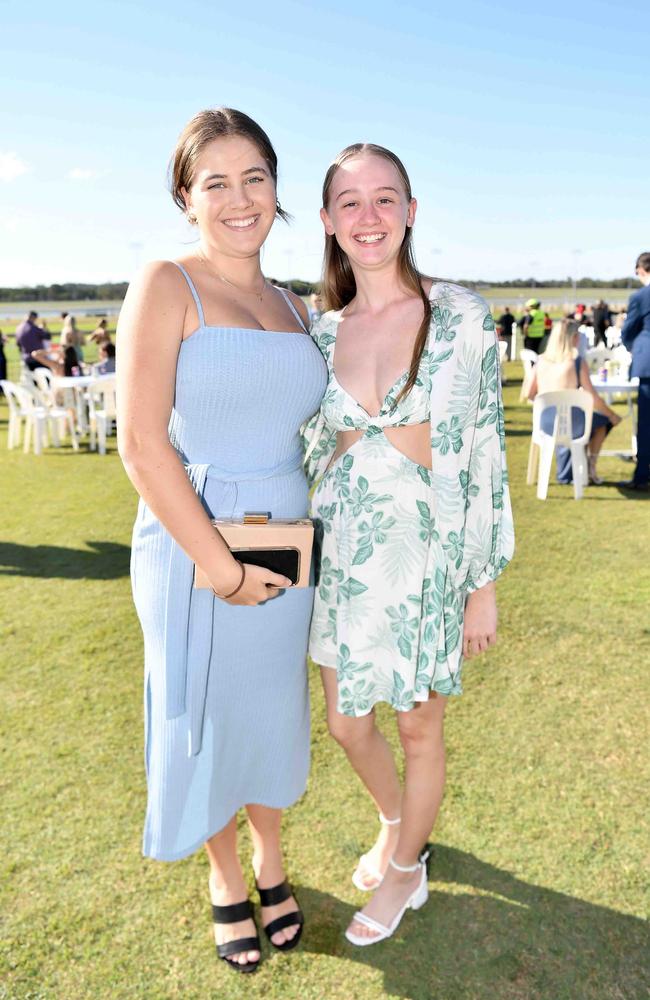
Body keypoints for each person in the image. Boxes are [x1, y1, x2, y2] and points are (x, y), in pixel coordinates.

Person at [116, 107, 327, 974]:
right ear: (185, 197)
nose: (239, 199)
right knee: (200, 714)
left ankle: (274, 863)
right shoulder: (167, 282)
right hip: (194, 541)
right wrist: (219, 567)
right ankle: (226, 878)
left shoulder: (297, 302)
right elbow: (141, 443)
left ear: (277, 191)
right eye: (215, 183)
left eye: (255, 179)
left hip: (288, 542)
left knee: (272, 710)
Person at [303, 142, 514, 947]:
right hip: (344, 559)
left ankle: (404, 871)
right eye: (350, 202)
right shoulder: (320, 333)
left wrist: (482, 582)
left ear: (412, 211)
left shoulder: (459, 313)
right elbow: (307, 442)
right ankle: (397, 824)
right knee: (349, 725)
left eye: (385, 198)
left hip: (429, 557)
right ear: (327, 221)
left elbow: (485, 447)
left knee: (420, 725)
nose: (368, 216)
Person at [527, 319, 621, 484]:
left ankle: (578, 468)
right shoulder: (576, 362)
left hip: (545, 424)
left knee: (585, 421)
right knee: (603, 421)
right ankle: (591, 466)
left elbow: (530, 394)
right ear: (572, 338)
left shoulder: (541, 361)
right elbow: (592, 397)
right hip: (572, 425)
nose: (579, 339)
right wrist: (612, 415)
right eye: (577, 336)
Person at [619, 252, 650, 490]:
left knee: (646, 423)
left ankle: (642, 476)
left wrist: (634, 349)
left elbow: (628, 330)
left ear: (641, 270)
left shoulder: (640, 296)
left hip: (648, 365)